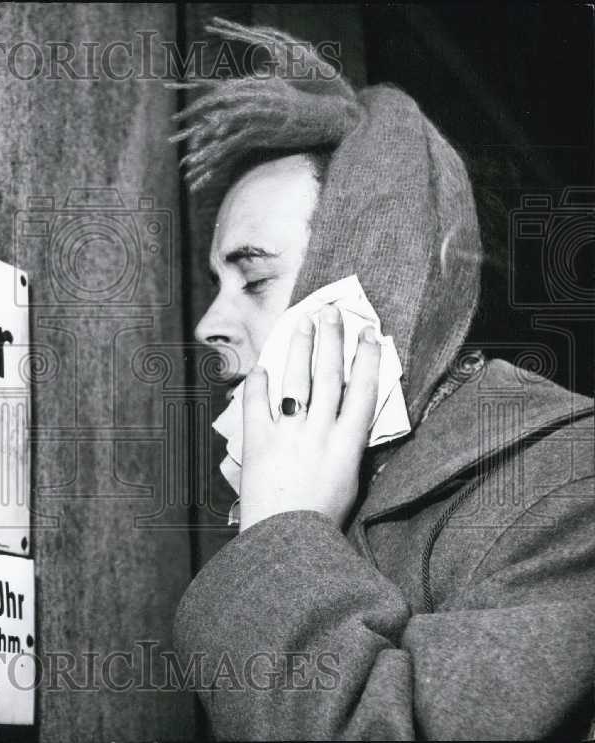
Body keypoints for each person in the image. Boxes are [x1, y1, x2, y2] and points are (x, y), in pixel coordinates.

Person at [171, 20, 595, 740]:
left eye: (253, 276)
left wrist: (281, 532)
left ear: (368, 277)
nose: (209, 322)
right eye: (216, 282)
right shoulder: (314, 489)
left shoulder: (568, 480)